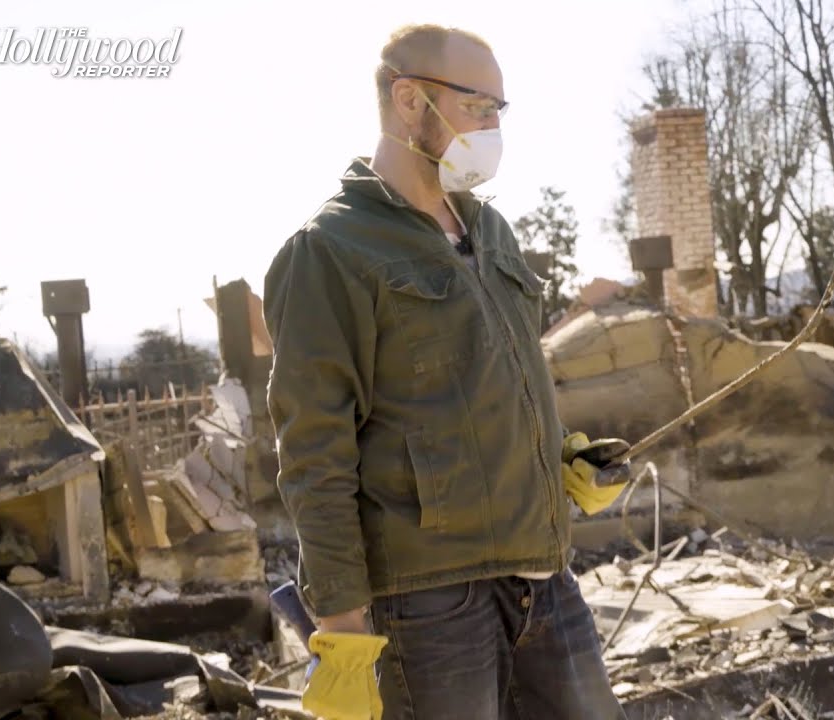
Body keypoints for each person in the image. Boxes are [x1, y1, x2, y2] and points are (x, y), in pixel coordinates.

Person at [262, 23, 631, 720]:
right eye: (478, 107)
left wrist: (559, 462)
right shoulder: (331, 250)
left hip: (542, 577)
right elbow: (314, 450)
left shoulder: (491, 233)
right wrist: (340, 622)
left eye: (500, 111)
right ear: (409, 102)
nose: (493, 128)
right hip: (428, 602)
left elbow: (490, 388)